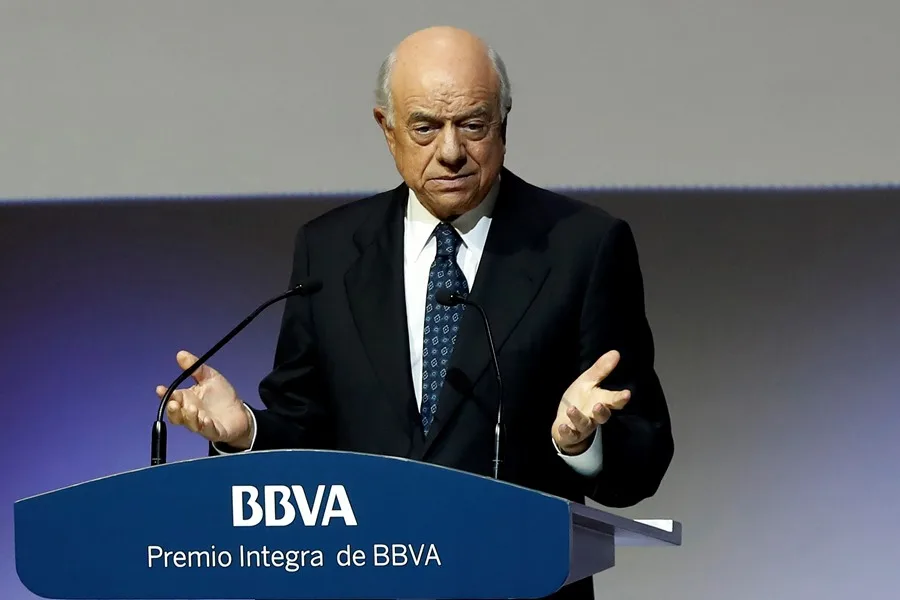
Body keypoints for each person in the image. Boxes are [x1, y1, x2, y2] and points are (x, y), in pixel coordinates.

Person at [156, 25, 673, 600]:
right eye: (426, 127)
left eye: (473, 125)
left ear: (504, 123)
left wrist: (580, 443)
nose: (450, 152)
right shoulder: (330, 250)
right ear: (388, 129)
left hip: (518, 583)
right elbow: (306, 429)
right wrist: (245, 432)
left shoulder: (582, 246)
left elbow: (644, 457)